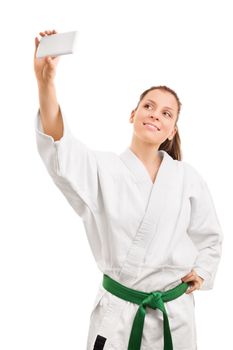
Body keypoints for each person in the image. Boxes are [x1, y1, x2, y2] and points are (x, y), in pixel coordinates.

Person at [34, 30, 223, 350]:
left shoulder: (187, 178)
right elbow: (60, 148)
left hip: (173, 317)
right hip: (120, 316)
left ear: (172, 129)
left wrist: (203, 271)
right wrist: (45, 83)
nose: (155, 114)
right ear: (133, 114)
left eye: (167, 113)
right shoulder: (102, 169)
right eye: (148, 106)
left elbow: (210, 235)